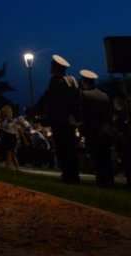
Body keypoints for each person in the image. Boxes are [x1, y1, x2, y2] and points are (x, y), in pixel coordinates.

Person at [36, 55, 81, 184]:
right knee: (71, 149)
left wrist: (38, 110)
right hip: (70, 120)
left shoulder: (55, 81)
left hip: (60, 120)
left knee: (62, 149)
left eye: (52, 66)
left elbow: (49, 98)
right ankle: (74, 175)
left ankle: (68, 176)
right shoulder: (71, 81)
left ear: (56, 68)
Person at [78, 69, 114, 187]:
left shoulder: (84, 95)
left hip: (92, 130)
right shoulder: (104, 95)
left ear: (84, 82)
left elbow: (83, 114)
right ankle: (110, 179)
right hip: (105, 129)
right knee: (106, 156)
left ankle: (101, 181)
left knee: (96, 157)